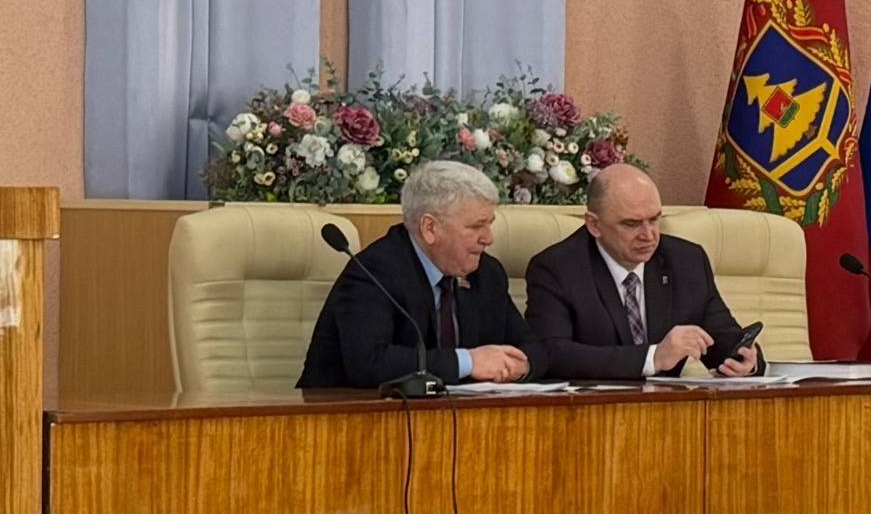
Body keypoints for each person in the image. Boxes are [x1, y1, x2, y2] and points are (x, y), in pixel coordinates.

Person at [298, 160, 548, 388]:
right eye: (476, 226)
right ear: (430, 228)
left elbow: (534, 349)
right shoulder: (374, 272)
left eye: (489, 224)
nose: (488, 238)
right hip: (343, 417)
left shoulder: (487, 273)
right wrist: (469, 362)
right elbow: (369, 363)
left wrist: (521, 365)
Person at [522, 163, 763, 381]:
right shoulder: (557, 268)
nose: (649, 235)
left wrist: (745, 361)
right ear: (594, 225)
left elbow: (722, 338)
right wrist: (652, 358)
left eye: (655, 219)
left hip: (671, 408)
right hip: (593, 409)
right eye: (632, 224)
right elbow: (551, 354)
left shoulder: (686, 261)